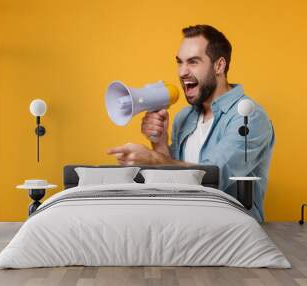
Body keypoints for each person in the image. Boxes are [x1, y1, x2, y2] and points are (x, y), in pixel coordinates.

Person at [107, 25, 275, 222]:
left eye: (193, 62)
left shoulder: (249, 117)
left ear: (219, 66)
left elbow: (215, 178)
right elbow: (174, 182)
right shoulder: (184, 117)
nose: (182, 72)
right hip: (187, 227)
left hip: (232, 233)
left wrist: (154, 159)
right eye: (180, 62)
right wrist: (160, 143)